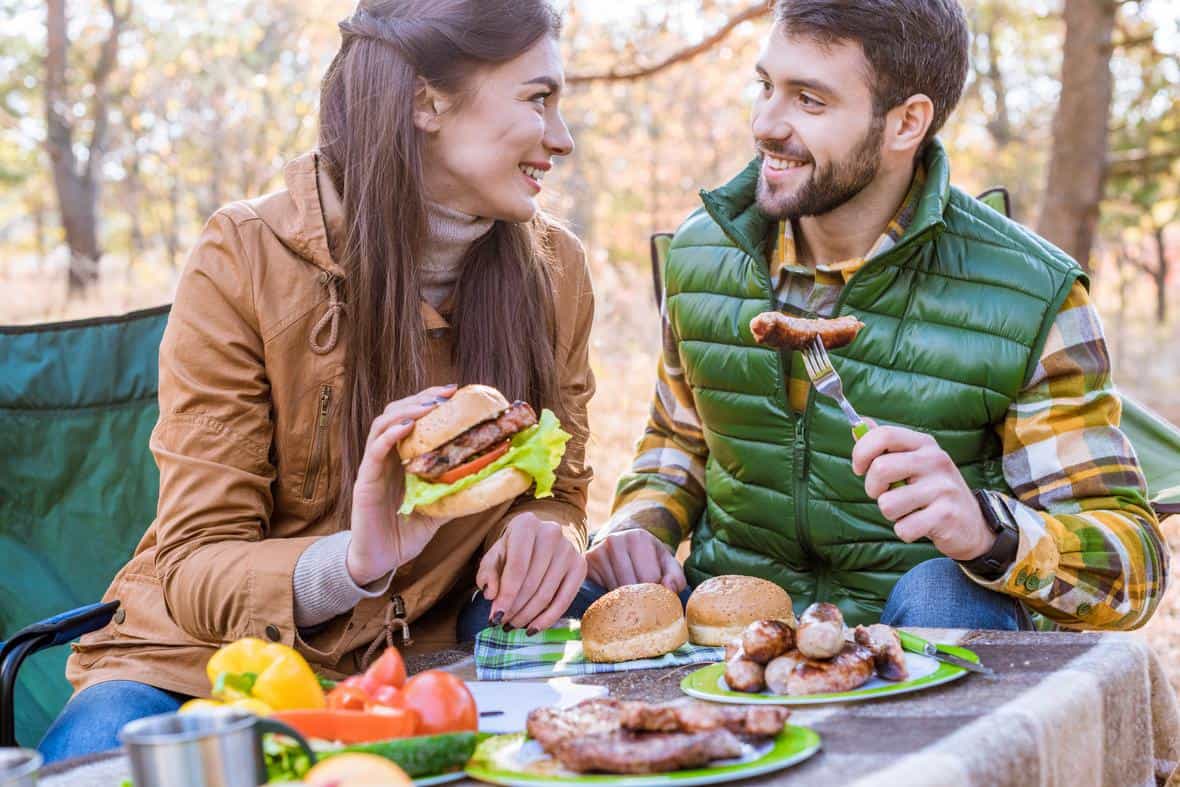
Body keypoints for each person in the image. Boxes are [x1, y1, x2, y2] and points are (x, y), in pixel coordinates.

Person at [40, 0, 593, 763]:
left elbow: (561, 483)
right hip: (201, 668)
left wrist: (551, 526)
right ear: (424, 101)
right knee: (95, 762)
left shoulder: (556, 272)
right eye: (539, 98)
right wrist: (356, 561)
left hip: (418, 662)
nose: (561, 138)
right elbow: (195, 560)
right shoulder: (243, 257)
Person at [586, 0, 1167, 633]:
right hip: (730, 635)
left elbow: (1132, 573)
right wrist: (636, 526)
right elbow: (677, 443)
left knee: (941, 589)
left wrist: (989, 531)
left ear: (905, 123)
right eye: (766, 87)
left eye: (809, 101)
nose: (766, 125)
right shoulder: (703, 252)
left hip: (923, 648)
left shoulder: (1036, 296)